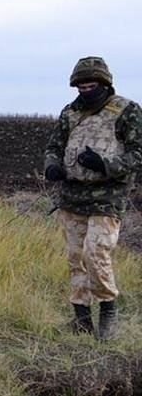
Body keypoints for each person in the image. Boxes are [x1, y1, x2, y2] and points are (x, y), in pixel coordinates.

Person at [44, 56, 142, 340]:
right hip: (72, 196)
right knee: (76, 258)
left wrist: (105, 165)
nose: (86, 89)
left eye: (91, 84)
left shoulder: (127, 111)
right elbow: (54, 146)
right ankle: (82, 320)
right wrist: (52, 166)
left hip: (108, 197)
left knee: (95, 252)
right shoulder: (70, 113)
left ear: (104, 83)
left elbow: (138, 153)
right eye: (81, 85)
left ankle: (108, 313)